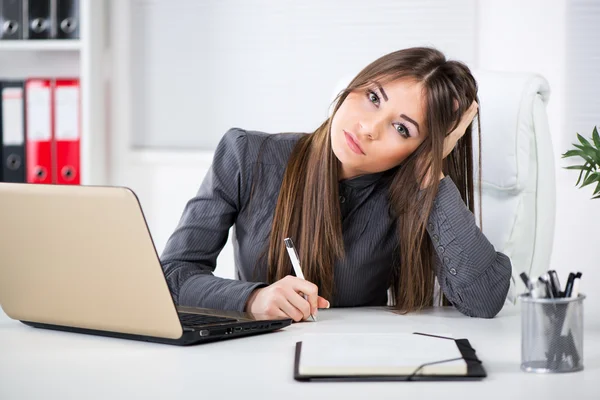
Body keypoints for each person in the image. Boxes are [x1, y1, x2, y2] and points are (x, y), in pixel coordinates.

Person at [160, 47, 512, 322]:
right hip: (256, 360)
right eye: (374, 97)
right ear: (352, 88)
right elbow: (173, 275)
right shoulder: (246, 155)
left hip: (359, 366)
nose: (369, 128)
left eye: (402, 128)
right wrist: (252, 298)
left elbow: (483, 300)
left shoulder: (408, 193)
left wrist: (429, 170)